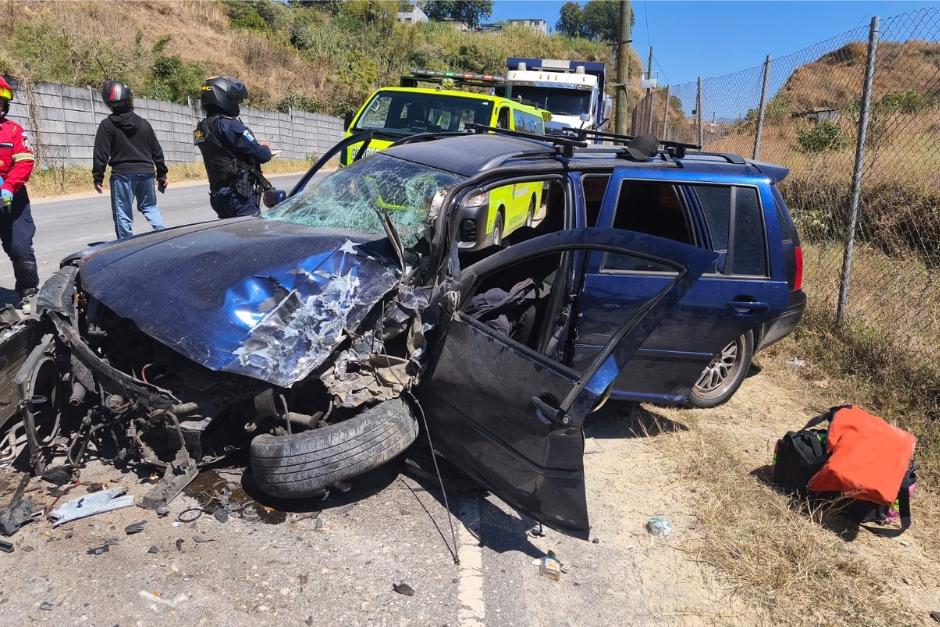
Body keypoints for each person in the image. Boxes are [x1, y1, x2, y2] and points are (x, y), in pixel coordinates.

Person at [92, 80, 168, 240]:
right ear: (129, 99)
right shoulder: (143, 124)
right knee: (149, 207)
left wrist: (98, 176)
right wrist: (162, 174)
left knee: (123, 213)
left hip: (123, 175)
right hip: (146, 173)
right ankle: (163, 235)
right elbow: (157, 151)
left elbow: (101, 153)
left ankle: (125, 245)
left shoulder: (107, 125)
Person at [194, 76, 272, 219]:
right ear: (223, 98)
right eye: (235, 100)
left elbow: (225, 153)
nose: (236, 104)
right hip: (238, 196)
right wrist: (265, 147)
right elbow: (262, 155)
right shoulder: (230, 125)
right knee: (252, 235)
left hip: (218, 195)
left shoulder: (202, 128)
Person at [0, 76, 38, 306]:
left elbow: (25, 161)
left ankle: (28, 291)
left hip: (12, 197)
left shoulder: (14, 131)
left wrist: (9, 187)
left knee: (20, 246)